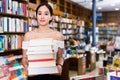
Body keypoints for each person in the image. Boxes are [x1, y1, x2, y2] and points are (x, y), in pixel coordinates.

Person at [22, 3, 64, 80]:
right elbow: (24, 58)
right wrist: (26, 67)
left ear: (51, 17)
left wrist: (59, 66)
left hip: (53, 75)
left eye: (46, 14)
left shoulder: (58, 36)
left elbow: (60, 57)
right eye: (39, 13)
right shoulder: (28, 36)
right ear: (36, 16)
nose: (42, 17)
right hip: (34, 76)